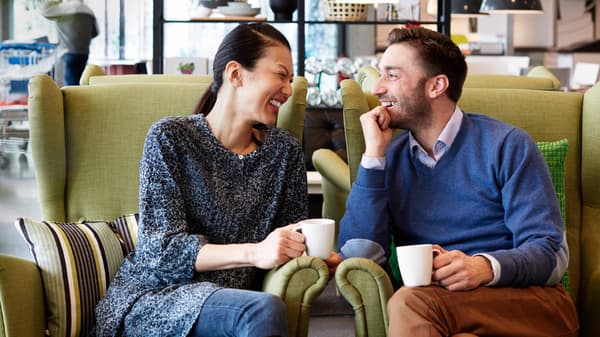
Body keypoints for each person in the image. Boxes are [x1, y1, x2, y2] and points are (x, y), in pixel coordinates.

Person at [94, 23, 340, 337]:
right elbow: (160, 253)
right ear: (235, 74)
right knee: (260, 310)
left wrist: (313, 256)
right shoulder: (171, 138)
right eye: (281, 75)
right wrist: (255, 251)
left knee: (258, 310)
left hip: (236, 307)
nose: (288, 90)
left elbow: (290, 237)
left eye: (291, 79)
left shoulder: (285, 152)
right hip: (157, 299)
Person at [338, 27, 578, 336]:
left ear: (436, 85)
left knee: (409, 303)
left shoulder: (507, 145)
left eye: (392, 75)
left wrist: (483, 267)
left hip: (530, 303)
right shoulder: (389, 158)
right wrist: (373, 158)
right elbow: (360, 257)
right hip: (443, 307)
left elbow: (551, 254)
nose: (379, 88)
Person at [40, 0, 98, 85]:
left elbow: (44, 11)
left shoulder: (65, 8)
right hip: (83, 53)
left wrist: (56, 1)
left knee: (69, 87)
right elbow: (95, 32)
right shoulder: (89, 11)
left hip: (67, 52)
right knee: (79, 83)